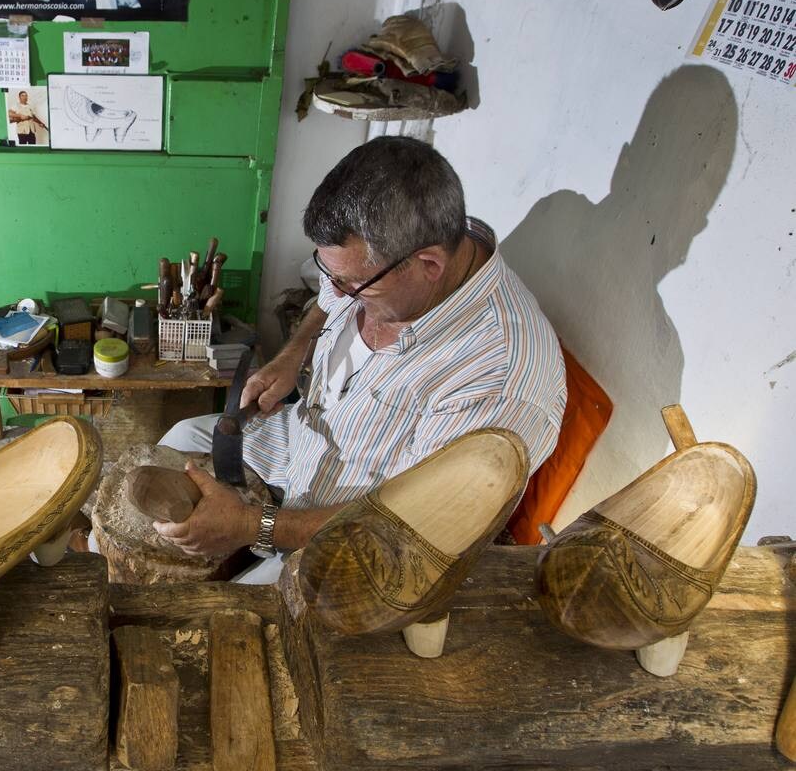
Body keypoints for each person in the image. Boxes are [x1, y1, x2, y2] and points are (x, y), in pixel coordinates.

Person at [153, 137, 567, 583]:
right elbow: (333, 292)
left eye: (355, 285)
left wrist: (252, 526)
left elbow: (413, 524)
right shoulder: (412, 251)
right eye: (330, 272)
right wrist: (293, 353)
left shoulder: (496, 379)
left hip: (362, 533)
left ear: (429, 264)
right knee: (176, 443)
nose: (338, 290)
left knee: (220, 620)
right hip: (301, 442)